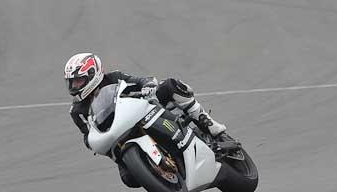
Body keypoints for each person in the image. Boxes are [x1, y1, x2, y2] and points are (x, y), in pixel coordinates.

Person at [64, 53, 227, 184]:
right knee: (129, 179)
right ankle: (156, 170)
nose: (75, 86)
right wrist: (91, 142)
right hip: (117, 137)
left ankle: (207, 122)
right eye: (72, 83)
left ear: (93, 74)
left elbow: (140, 80)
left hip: (142, 111)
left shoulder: (113, 77)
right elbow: (87, 135)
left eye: (79, 81)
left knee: (169, 85)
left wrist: (148, 85)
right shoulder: (77, 111)